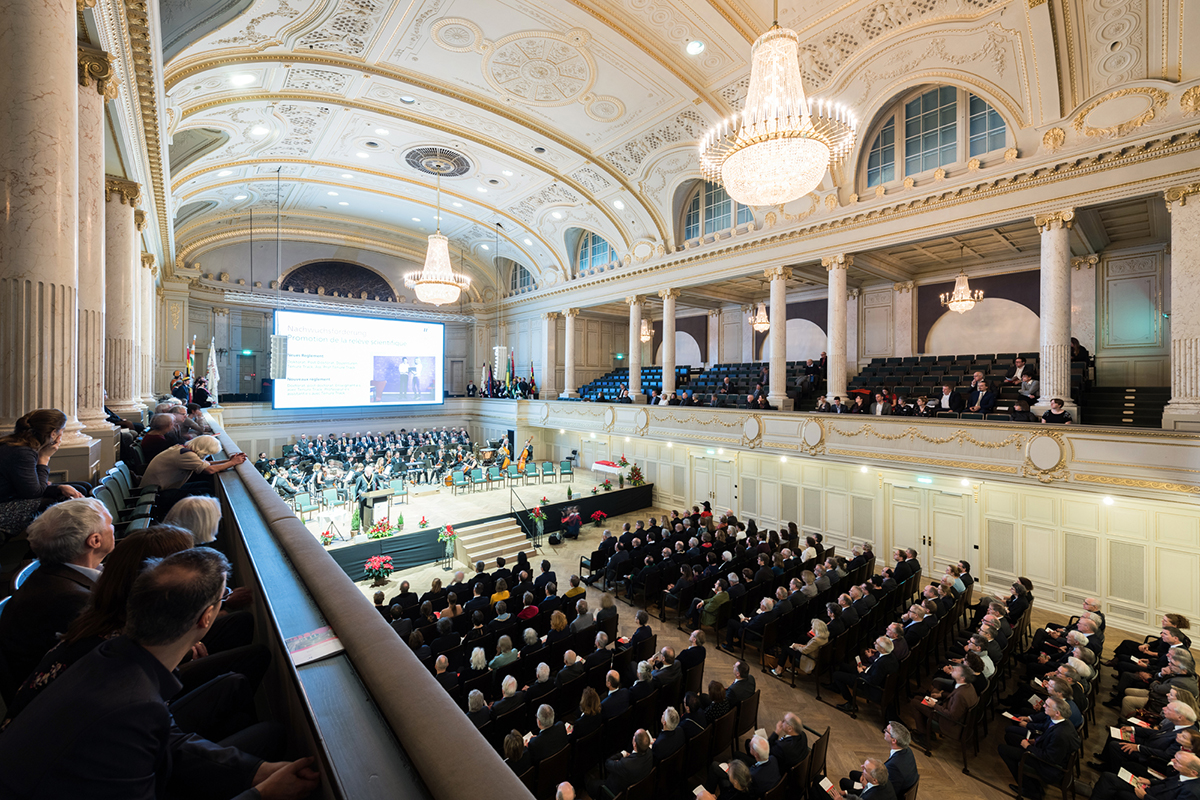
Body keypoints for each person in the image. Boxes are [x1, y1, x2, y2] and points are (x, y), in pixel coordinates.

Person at [0, 547, 321, 800]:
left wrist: (257, 771)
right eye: (222, 599)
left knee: (266, 735)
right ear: (206, 618)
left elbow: (167, 739)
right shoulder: (131, 705)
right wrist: (262, 794)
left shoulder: (109, 655)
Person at [0, 498, 115, 698]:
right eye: (110, 525)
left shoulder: (50, 573)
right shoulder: (72, 600)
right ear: (95, 540)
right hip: (62, 700)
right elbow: (109, 659)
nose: (113, 528)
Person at [0, 409, 86, 537]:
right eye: (62, 430)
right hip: (4, 507)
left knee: (81, 487)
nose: (61, 434)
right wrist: (44, 458)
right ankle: (43, 552)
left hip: (13, 496)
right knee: (63, 499)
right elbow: (33, 493)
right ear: (53, 434)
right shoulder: (22, 452)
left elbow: (31, 487)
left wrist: (59, 487)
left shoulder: (18, 444)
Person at [998, 696, 1080, 799]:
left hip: (1048, 766)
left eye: (1047, 705)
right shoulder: (1061, 721)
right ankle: (1028, 779)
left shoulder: (1060, 735)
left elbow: (1049, 758)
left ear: (1057, 713)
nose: (1044, 706)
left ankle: (1031, 789)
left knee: (1003, 750)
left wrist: (1028, 747)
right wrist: (1034, 740)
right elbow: (1045, 732)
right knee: (1010, 737)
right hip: (1043, 750)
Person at [841, 723, 918, 796]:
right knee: (853, 774)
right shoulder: (907, 750)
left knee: (844, 782)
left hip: (884, 793)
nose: (884, 731)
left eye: (887, 731)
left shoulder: (893, 766)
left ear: (894, 740)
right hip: (894, 785)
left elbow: (883, 790)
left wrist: (866, 784)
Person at [588, 729, 653, 799]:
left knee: (588, 781)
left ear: (635, 744)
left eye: (634, 736)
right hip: (635, 787)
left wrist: (623, 753)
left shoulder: (626, 764)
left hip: (613, 790)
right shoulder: (649, 754)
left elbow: (607, 763)